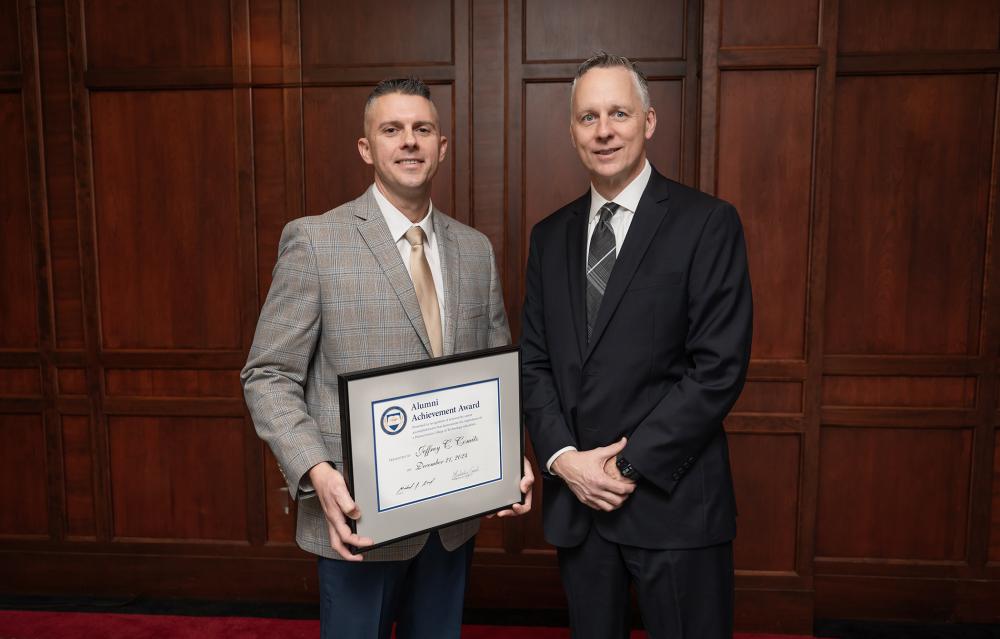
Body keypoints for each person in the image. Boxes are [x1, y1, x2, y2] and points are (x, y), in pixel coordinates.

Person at [242, 77, 533, 639]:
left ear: (442, 146)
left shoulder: (474, 250)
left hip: (452, 520)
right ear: (366, 147)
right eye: (392, 130)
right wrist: (314, 471)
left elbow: (495, 366)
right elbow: (267, 374)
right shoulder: (315, 240)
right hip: (359, 521)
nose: (409, 142)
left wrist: (508, 454)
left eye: (422, 129)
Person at [520, 52, 752, 638]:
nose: (603, 130)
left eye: (618, 113)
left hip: (674, 506)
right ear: (572, 130)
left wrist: (624, 464)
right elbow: (535, 363)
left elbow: (718, 368)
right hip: (580, 507)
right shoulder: (548, 238)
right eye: (588, 116)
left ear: (648, 121)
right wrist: (564, 462)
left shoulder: (707, 223)